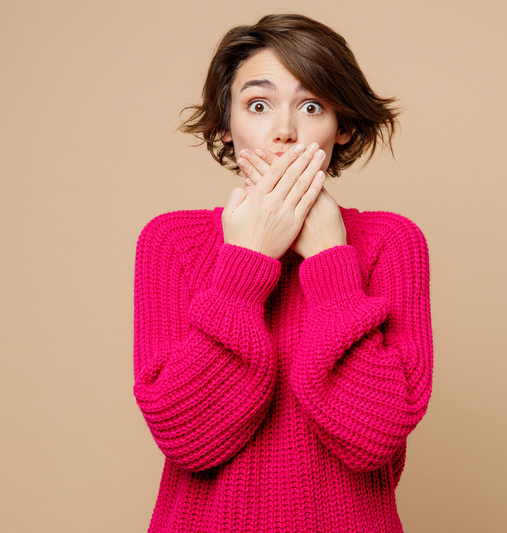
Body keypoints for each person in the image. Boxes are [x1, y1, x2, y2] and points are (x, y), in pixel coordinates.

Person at [132, 13, 433, 533]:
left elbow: (374, 439)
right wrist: (247, 261)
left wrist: (330, 262)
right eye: (258, 104)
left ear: (343, 127)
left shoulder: (391, 242)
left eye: (312, 106)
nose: (285, 132)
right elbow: (189, 438)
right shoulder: (171, 243)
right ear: (226, 124)